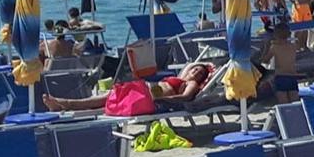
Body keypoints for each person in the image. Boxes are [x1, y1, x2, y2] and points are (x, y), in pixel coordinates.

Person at [44, 60, 215, 112]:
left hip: (149, 94)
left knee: (107, 99)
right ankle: (64, 104)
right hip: (145, 89)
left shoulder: (190, 83)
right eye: (195, 70)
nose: (196, 74)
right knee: (107, 99)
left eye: (200, 74)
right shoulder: (179, 77)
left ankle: (65, 103)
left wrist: (165, 99)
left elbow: (187, 97)